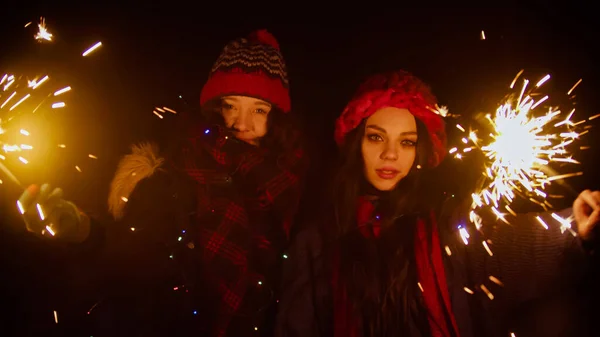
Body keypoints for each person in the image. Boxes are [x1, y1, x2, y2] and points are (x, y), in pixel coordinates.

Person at [18, 29, 308, 337]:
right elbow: (137, 254)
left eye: (258, 110)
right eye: (229, 105)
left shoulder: (292, 182)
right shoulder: (173, 172)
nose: (240, 123)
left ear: (276, 116)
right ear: (213, 108)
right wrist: (84, 230)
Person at [275, 70, 600, 337]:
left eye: (406, 142)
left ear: (421, 151)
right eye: (376, 137)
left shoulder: (444, 226)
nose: (390, 154)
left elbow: (509, 243)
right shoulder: (317, 240)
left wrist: (573, 223)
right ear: (356, 142)